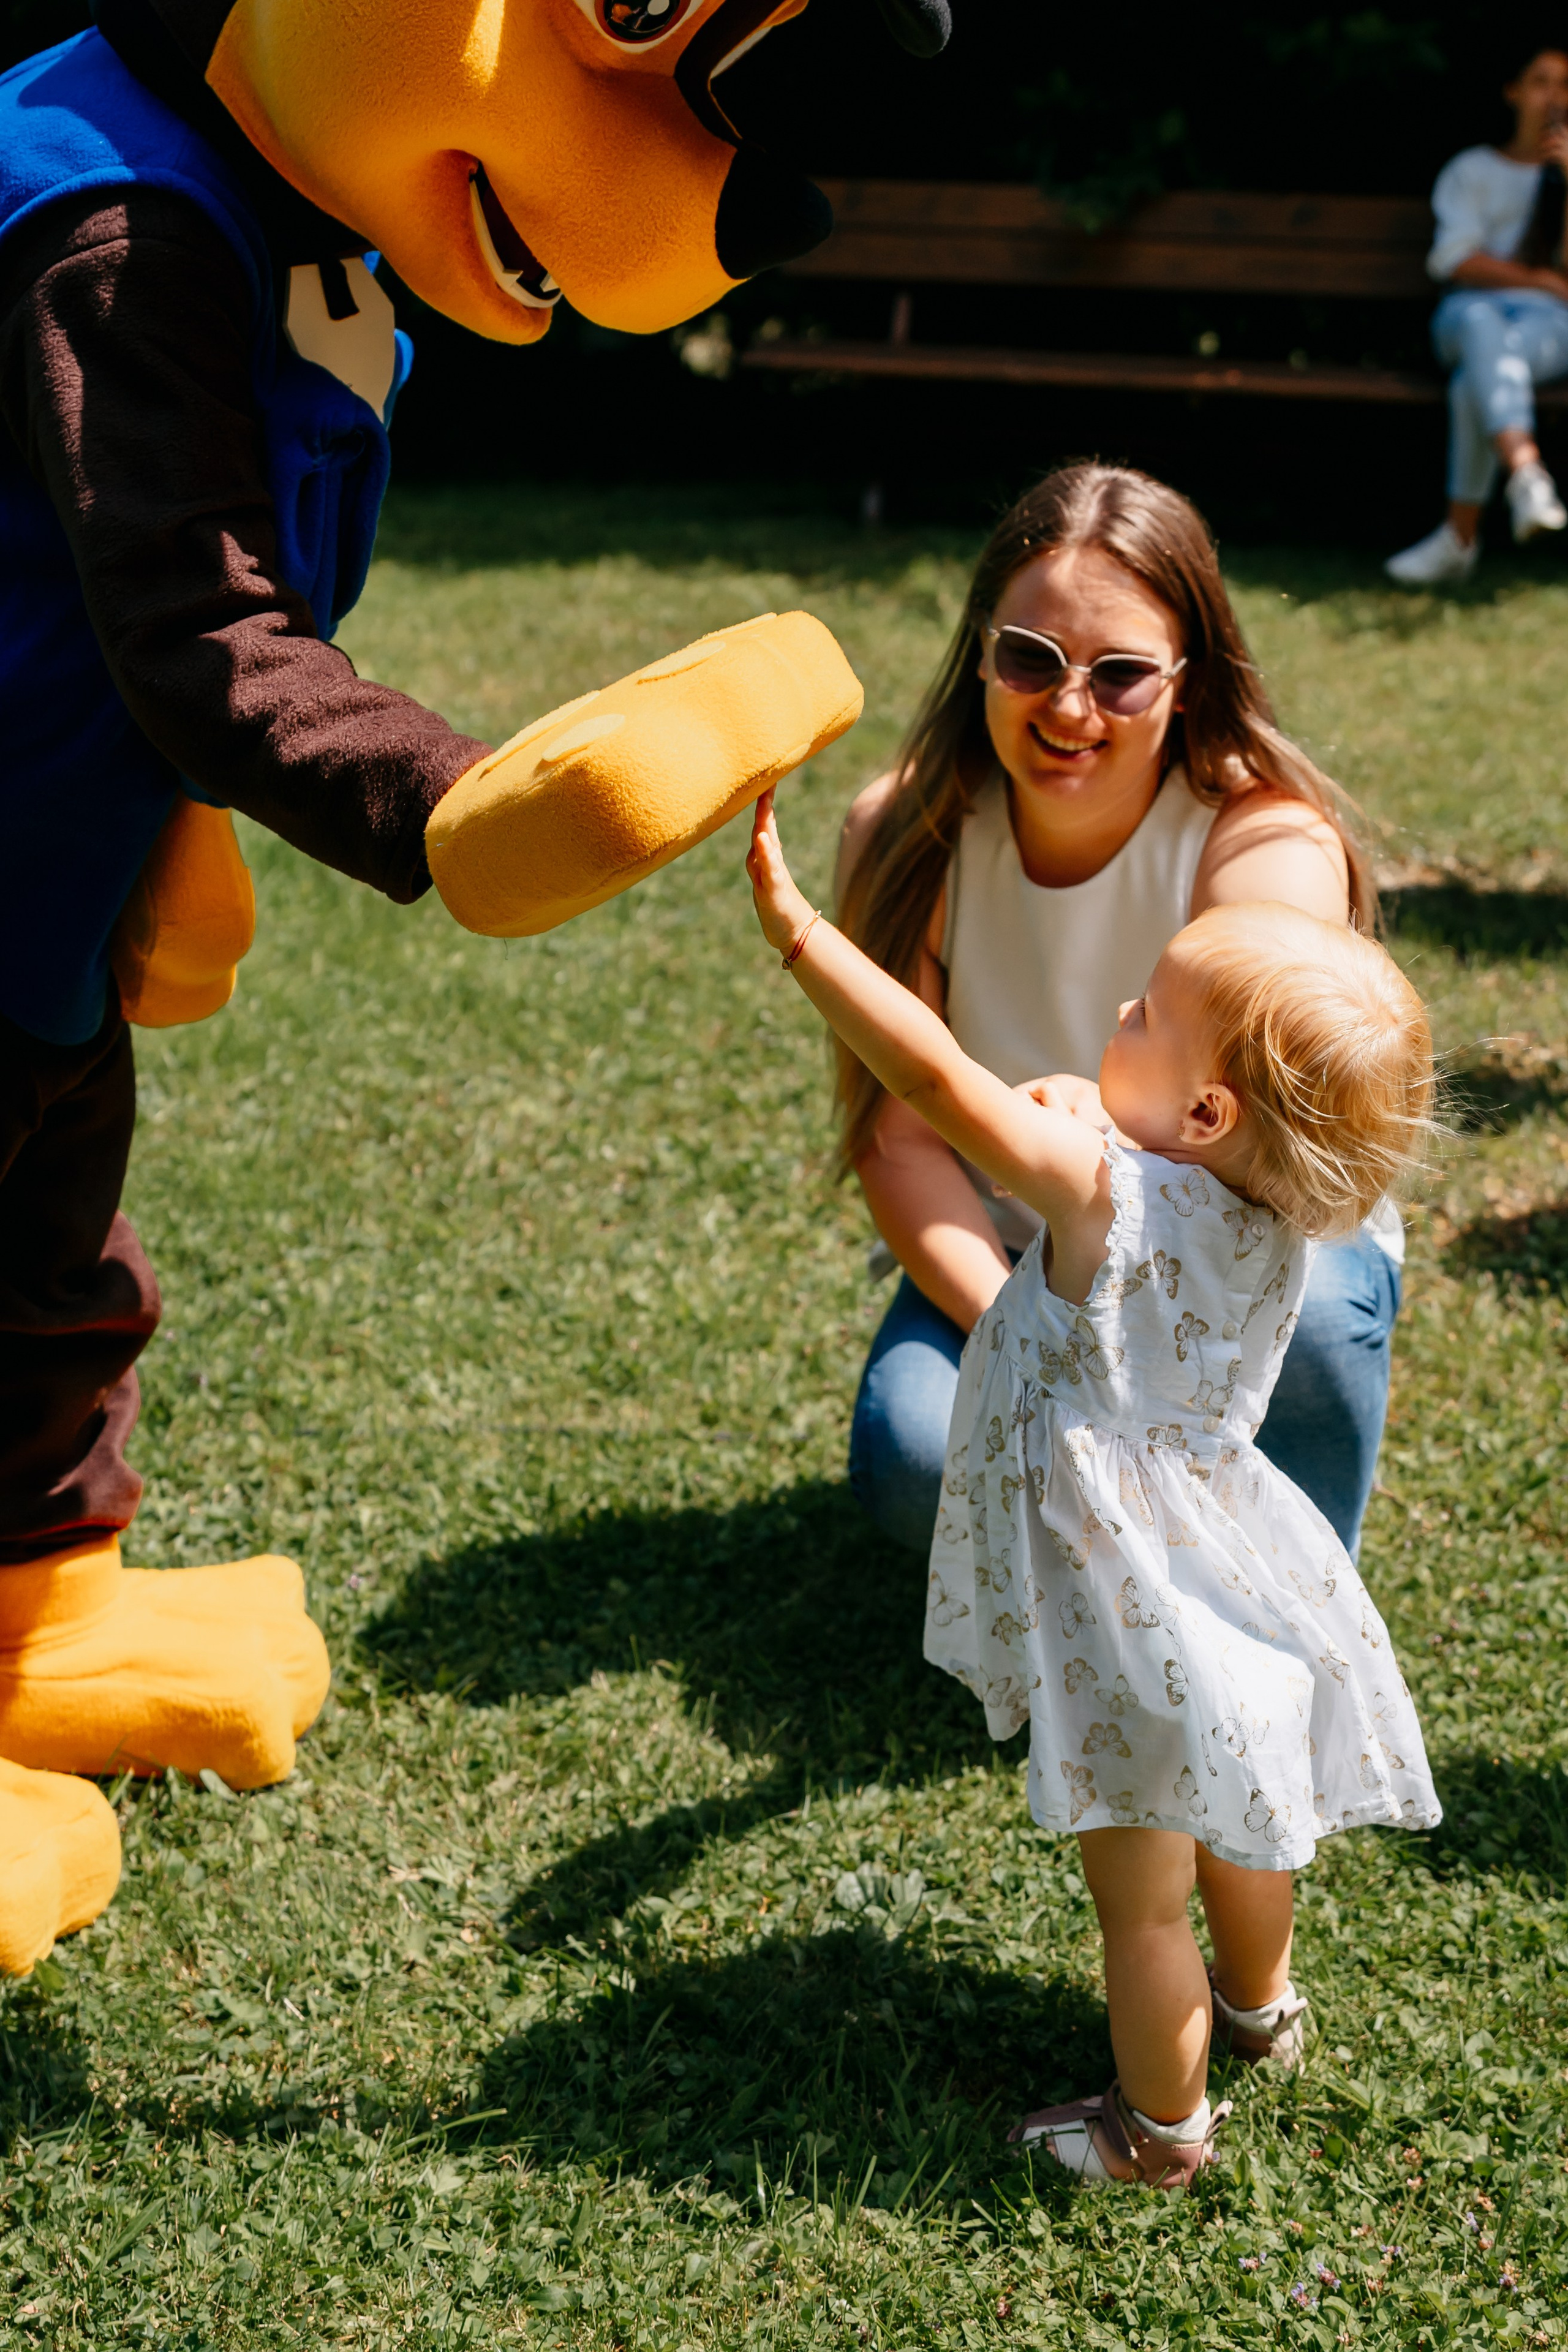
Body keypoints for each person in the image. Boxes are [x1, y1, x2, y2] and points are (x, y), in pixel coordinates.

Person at [747, 797, 1442, 2188]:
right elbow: (1112, 1148)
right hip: (1227, 1564)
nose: (1115, 1006)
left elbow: (942, 1083)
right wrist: (1091, 1107)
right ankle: (1260, 2005)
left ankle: (1156, 2128)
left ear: (1204, 1108)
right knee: (1245, 1814)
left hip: (1120, 1604)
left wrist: (802, 933)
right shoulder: (1277, 1217)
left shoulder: (1099, 1196)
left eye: (1141, 1011)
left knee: (1140, 1902)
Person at [835, 462, 1400, 1563]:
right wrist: (1034, 1334)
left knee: (1321, 1326)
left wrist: (1118, 1347)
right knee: (912, 1460)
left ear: (1188, 680)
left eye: (1123, 672)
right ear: (981, 655)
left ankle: (1289, 1583)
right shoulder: (905, 829)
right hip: (1016, 1256)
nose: (1070, 705)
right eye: (1028, 658)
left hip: (1236, 1260)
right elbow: (899, 1141)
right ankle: (1094, 1588)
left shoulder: (1263, 844)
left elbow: (1261, 1165)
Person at [1388, 43, 1568, 584]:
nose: (1555, 97)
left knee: (1481, 373)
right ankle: (1525, 470)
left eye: (1566, 85)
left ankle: (1461, 537)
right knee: (1483, 328)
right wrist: (1535, 279)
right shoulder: (1473, 170)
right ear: (1514, 93)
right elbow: (1453, 259)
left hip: (1551, 329)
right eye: (1541, 82)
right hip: (1468, 314)